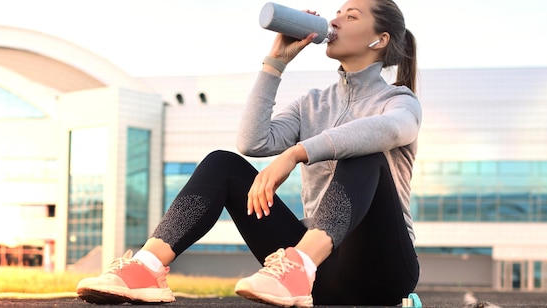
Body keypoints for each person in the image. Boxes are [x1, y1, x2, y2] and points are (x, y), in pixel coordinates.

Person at [76, 0, 421, 306]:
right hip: (321, 279)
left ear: (380, 39)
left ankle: (298, 267)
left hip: (381, 271)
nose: (335, 21)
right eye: (336, 14)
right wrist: (275, 63)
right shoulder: (312, 103)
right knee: (223, 163)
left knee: (363, 151)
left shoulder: (399, 101)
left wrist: (296, 153)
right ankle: (147, 268)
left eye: (351, 16)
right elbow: (253, 142)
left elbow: (388, 129)